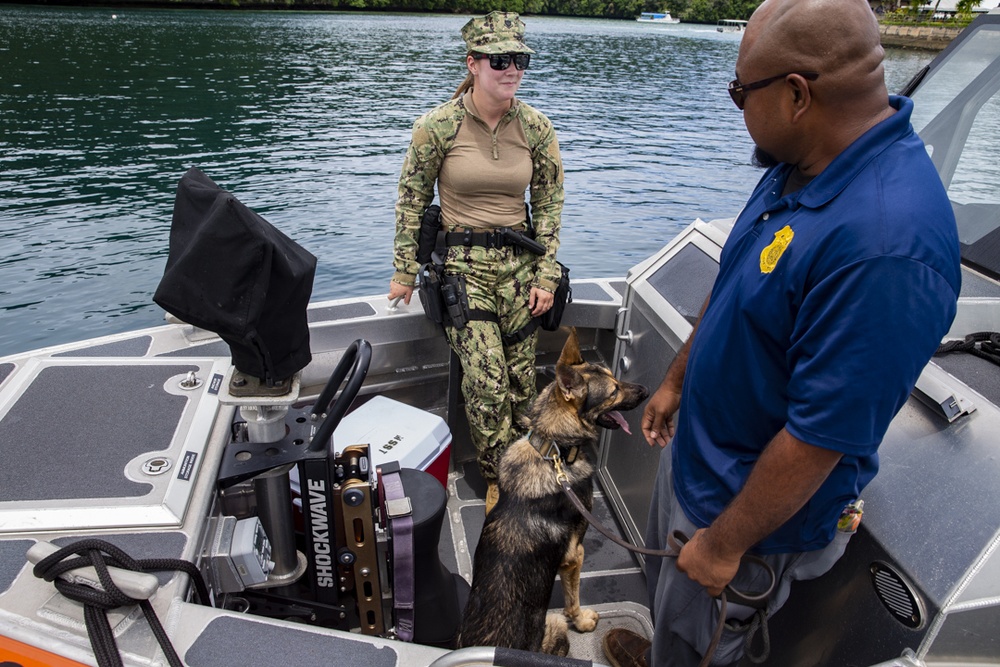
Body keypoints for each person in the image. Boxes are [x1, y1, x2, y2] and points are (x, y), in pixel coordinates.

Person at [603, 0, 962, 665]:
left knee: (706, 636)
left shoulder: (887, 245)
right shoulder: (802, 160)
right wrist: (679, 377)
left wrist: (721, 545)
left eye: (741, 92)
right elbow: (741, 271)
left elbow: (819, 437)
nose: (736, 105)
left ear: (796, 94)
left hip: (741, 518)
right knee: (674, 612)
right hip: (700, 463)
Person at [388, 11, 564, 513]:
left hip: (522, 269)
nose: (512, 70)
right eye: (501, 60)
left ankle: (525, 470)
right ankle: (500, 482)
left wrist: (547, 274)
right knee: (486, 383)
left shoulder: (535, 127)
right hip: (463, 271)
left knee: (520, 383)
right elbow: (411, 201)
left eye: (520, 60)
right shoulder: (436, 127)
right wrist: (405, 271)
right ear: (473, 63)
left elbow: (550, 204)